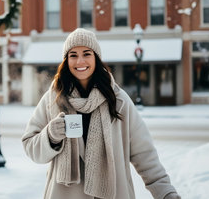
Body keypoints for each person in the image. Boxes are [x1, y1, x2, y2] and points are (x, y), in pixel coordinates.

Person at [22, 28, 181, 199]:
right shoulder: (54, 98)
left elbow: (144, 154)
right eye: (73, 55)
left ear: (96, 58)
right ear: (66, 60)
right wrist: (50, 136)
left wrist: (166, 193)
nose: (80, 61)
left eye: (86, 53)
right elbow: (30, 145)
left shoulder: (118, 99)